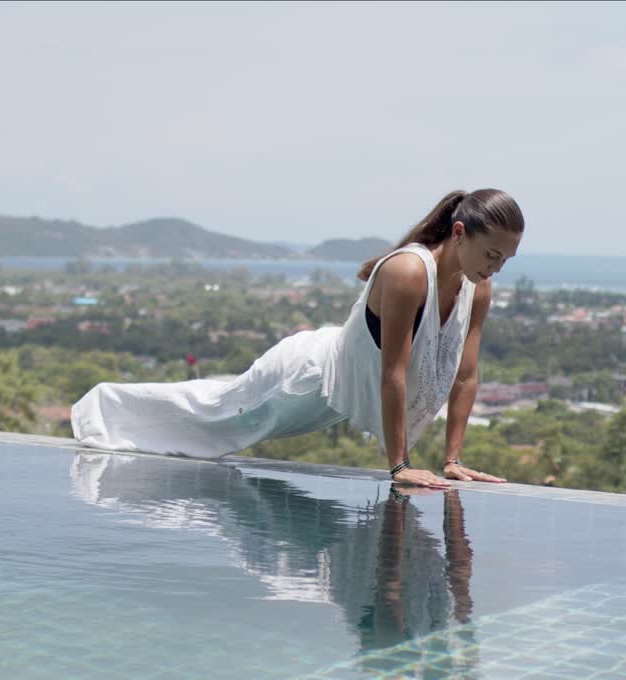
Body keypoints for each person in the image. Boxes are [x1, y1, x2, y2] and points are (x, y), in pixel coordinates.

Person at [71, 188, 524, 488]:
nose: (495, 268)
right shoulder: (408, 272)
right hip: (304, 376)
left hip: (331, 400)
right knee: (213, 414)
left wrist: (452, 460)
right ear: (459, 233)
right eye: (491, 254)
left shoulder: (477, 288)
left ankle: (116, 418)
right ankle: (102, 409)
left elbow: (465, 376)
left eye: (505, 259)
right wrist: (400, 465)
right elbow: (393, 374)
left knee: (212, 431)